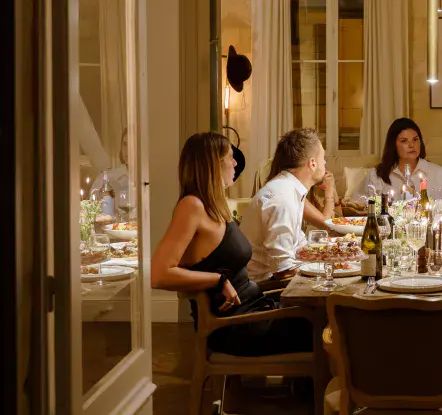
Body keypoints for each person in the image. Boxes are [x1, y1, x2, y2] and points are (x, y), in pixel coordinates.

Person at [150, 132, 310, 356]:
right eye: (230, 157)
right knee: (323, 327)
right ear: (213, 165)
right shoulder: (192, 206)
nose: (235, 162)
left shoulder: (216, 205)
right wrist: (218, 280)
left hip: (255, 310)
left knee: (321, 317)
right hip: (233, 326)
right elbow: (158, 274)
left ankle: (306, 386)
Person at [240, 128, 327, 283]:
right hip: (263, 291)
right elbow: (283, 270)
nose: (325, 162)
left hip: (270, 284)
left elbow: (301, 249)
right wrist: (326, 270)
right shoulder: (283, 198)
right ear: (312, 163)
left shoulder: (289, 190)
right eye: (323, 158)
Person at [357, 117, 442, 204]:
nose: (411, 145)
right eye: (404, 141)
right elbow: (357, 208)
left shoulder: (439, 174)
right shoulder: (376, 175)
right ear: (393, 145)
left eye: (415, 139)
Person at [92, 126, 135, 220]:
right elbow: (92, 207)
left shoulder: (147, 179)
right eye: (125, 144)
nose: (127, 150)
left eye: (132, 144)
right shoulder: (107, 177)